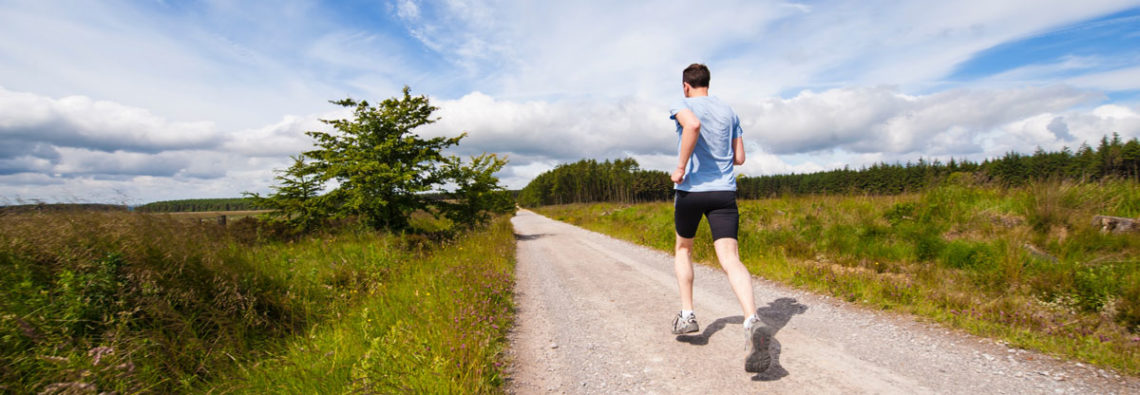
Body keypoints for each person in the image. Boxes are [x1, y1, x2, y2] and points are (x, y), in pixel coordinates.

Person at [668, 63, 770, 373]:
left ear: (686, 85)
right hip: (724, 192)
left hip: (691, 191)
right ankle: (752, 318)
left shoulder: (682, 105)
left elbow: (693, 126)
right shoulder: (729, 111)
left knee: (684, 248)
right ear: (707, 83)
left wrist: (681, 167)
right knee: (730, 258)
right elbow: (739, 158)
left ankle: (687, 315)